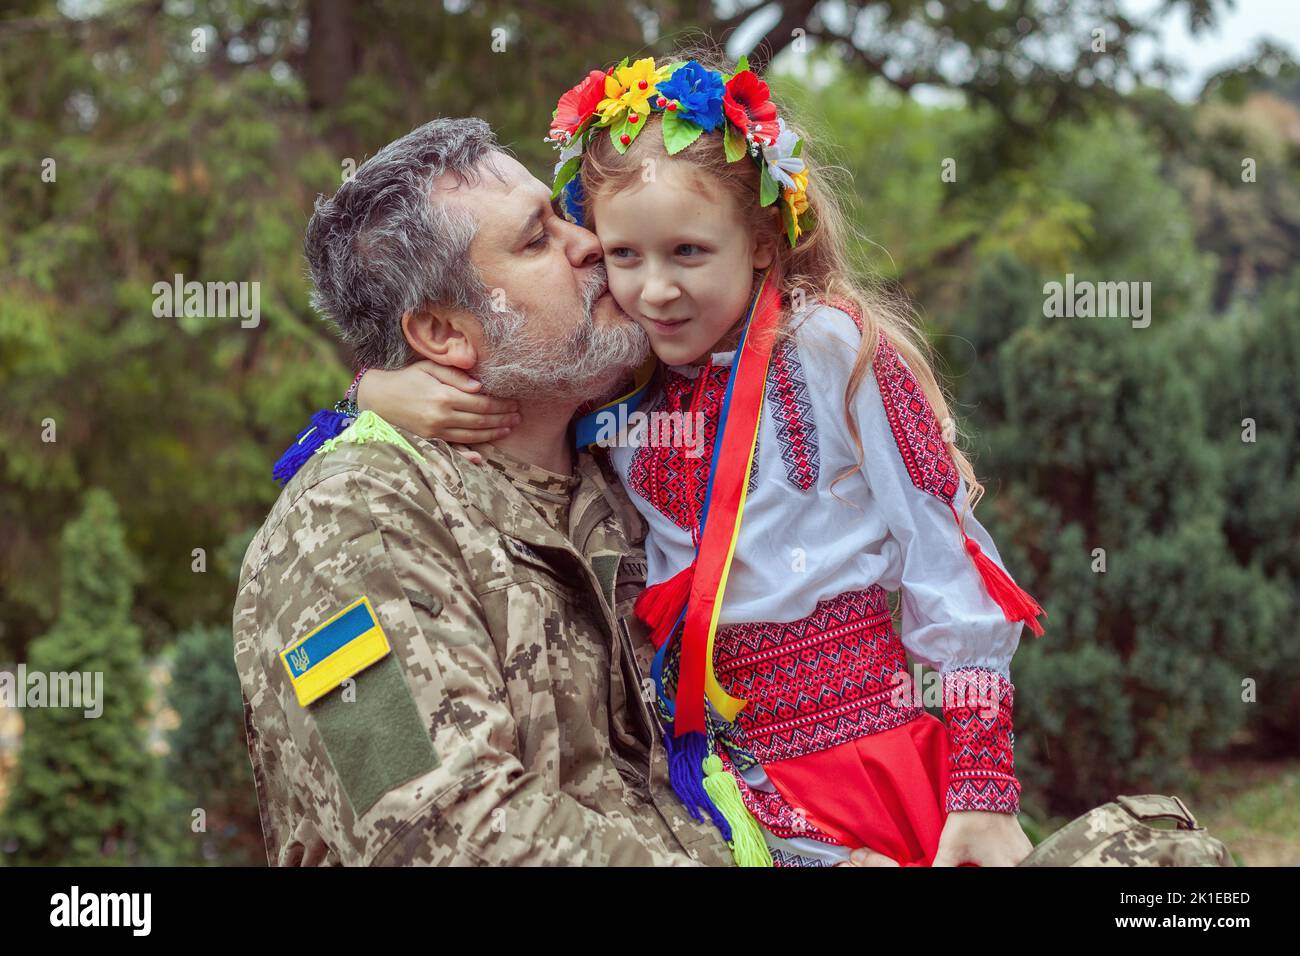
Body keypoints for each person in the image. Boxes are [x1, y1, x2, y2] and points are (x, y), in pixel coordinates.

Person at [342, 51, 1044, 868]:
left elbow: (947, 562)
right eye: (624, 255)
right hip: (710, 787)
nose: (655, 291)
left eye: (688, 253)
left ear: (758, 242)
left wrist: (983, 784)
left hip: (867, 759)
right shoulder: (625, 375)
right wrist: (369, 392)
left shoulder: (827, 348)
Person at [235, 116, 741, 865]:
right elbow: (435, 830)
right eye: (537, 240)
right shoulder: (348, 522)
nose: (590, 243)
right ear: (443, 333)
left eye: (563, 214)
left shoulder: (634, 469)